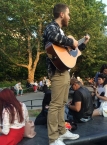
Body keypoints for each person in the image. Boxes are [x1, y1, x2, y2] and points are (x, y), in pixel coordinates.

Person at [43, 3, 90, 145]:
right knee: (56, 104)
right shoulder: (52, 27)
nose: (69, 17)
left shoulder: (61, 33)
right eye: (68, 14)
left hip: (64, 71)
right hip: (57, 71)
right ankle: (53, 138)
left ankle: (62, 132)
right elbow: (51, 35)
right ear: (62, 14)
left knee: (62, 103)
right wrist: (72, 41)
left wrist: (82, 43)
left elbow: (72, 53)